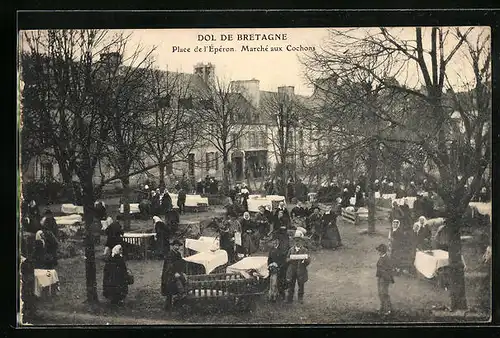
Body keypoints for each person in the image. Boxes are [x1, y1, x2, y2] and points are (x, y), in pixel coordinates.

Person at [161, 239, 187, 311]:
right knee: (169, 292)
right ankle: (168, 308)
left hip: (177, 273)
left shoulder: (178, 254)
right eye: (175, 245)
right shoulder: (169, 254)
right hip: (169, 274)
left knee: (180, 287)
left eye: (178, 246)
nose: (177, 247)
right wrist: (174, 273)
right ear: (172, 246)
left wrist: (181, 271)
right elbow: (169, 266)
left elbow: (180, 263)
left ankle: (178, 304)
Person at [286, 233, 311, 304]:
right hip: (292, 270)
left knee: (301, 284)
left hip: (301, 270)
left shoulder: (305, 250)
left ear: (301, 241)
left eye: (299, 241)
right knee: (291, 285)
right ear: (294, 241)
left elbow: (308, 261)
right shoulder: (291, 250)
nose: (297, 242)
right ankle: (289, 298)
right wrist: (290, 259)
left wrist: (305, 259)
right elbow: (287, 259)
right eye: (296, 241)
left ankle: (300, 298)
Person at [375, 243, 394, 316]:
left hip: (385, 279)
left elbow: (389, 270)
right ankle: (382, 307)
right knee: (380, 293)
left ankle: (388, 309)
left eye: (379, 251)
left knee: (384, 294)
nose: (378, 252)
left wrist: (388, 279)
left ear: (382, 251)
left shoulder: (386, 259)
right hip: (380, 278)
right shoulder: (382, 257)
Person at [268, 237, 289, 301]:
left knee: (281, 282)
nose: (274, 243)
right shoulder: (271, 249)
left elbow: (284, 260)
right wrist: (270, 265)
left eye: (275, 242)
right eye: (273, 242)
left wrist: (278, 265)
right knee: (273, 282)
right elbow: (269, 259)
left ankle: (282, 295)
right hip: (273, 268)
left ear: (278, 242)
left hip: (281, 268)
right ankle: (273, 295)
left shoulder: (282, 249)